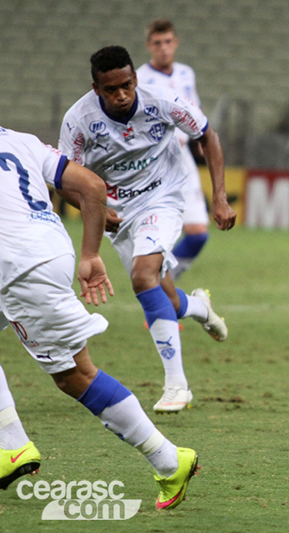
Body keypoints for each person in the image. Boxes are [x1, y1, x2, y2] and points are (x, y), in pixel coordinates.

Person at [0, 126, 197, 508]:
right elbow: (92, 185)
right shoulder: (19, 140)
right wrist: (89, 253)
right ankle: (10, 444)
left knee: (75, 374)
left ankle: (169, 460)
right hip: (49, 250)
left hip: (19, 266)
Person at [59, 45, 237, 413]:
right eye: (111, 89)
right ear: (96, 88)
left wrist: (218, 196)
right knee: (167, 300)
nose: (121, 95)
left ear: (135, 79)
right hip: (119, 213)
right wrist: (92, 207)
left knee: (143, 277)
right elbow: (65, 180)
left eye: (126, 85)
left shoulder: (163, 101)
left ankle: (177, 386)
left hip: (164, 197)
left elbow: (208, 135)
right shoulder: (78, 120)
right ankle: (199, 307)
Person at [137, 19, 209, 281]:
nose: (163, 48)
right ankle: (158, 298)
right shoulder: (140, 79)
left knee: (198, 233)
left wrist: (202, 139)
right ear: (149, 46)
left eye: (168, 42)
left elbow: (195, 110)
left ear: (175, 43)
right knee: (157, 236)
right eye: (157, 43)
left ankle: (164, 282)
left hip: (184, 158)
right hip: (155, 162)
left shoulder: (186, 74)